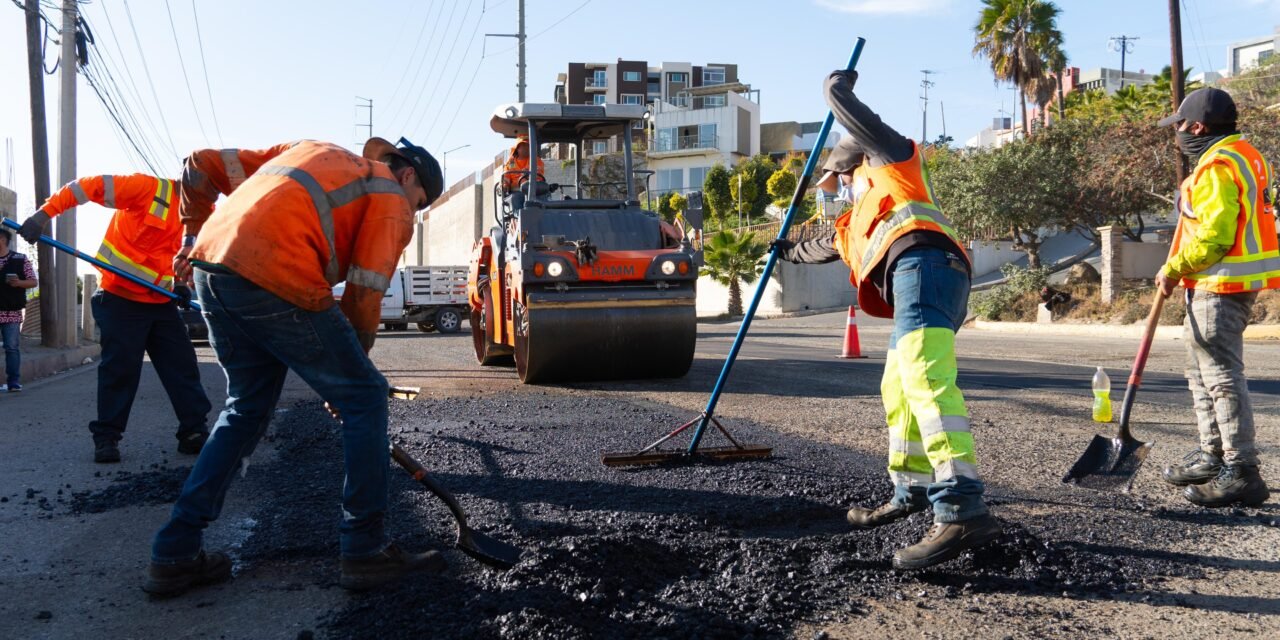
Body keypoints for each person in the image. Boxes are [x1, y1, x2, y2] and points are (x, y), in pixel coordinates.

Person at [144, 136, 444, 597]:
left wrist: (190, 237)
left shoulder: (308, 150)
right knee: (365, 397)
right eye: (419, 202)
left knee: (245, 408)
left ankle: (175, 551)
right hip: (276, 271)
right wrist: (347, 382)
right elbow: (365, 296)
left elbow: (199, 164)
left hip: (211, 266)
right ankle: (364, 549)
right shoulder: (391, 197)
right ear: (408, 175)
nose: (413, 210)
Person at [771, 70, 998, 569]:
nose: (841, 189)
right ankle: (911, 488)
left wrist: (834, 90)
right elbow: (817, 247)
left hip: (931, 267)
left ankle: (961, 505)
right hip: (918, 279)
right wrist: (784, 250)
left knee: (925, 380)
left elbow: (856, 117)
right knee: (897, 387)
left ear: (855, 164)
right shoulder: (853, 222)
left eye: (841, 178)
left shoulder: (893, 161)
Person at [18, 175, 212, 462]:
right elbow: (85, 187)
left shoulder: (205, 215)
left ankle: (193, 432)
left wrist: (183, 284)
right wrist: (44, 214)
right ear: (190, 179)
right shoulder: (148, 189)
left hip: (161, 302)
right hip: (120, 299)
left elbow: (189, 256)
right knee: (120, 371)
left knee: (182, 367)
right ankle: (107, 438)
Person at [1156, 87, 1274, 508]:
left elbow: (1216, 237)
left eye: (1182, 126)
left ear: (1199, 126)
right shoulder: (1247, 156)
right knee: (1201, 374)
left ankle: (1242, 471)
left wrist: (1172, 268)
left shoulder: (1218, 167)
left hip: (1218, 285)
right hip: (1214, 285)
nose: (1179, 134)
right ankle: (1214, 456)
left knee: (1221, 378)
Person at [0, 226, 37, 392]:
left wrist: (18, 283)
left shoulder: (20, 259)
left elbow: (33, 281)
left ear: (2, 240)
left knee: (11, 347)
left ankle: (13, 381)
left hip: (11, 311)